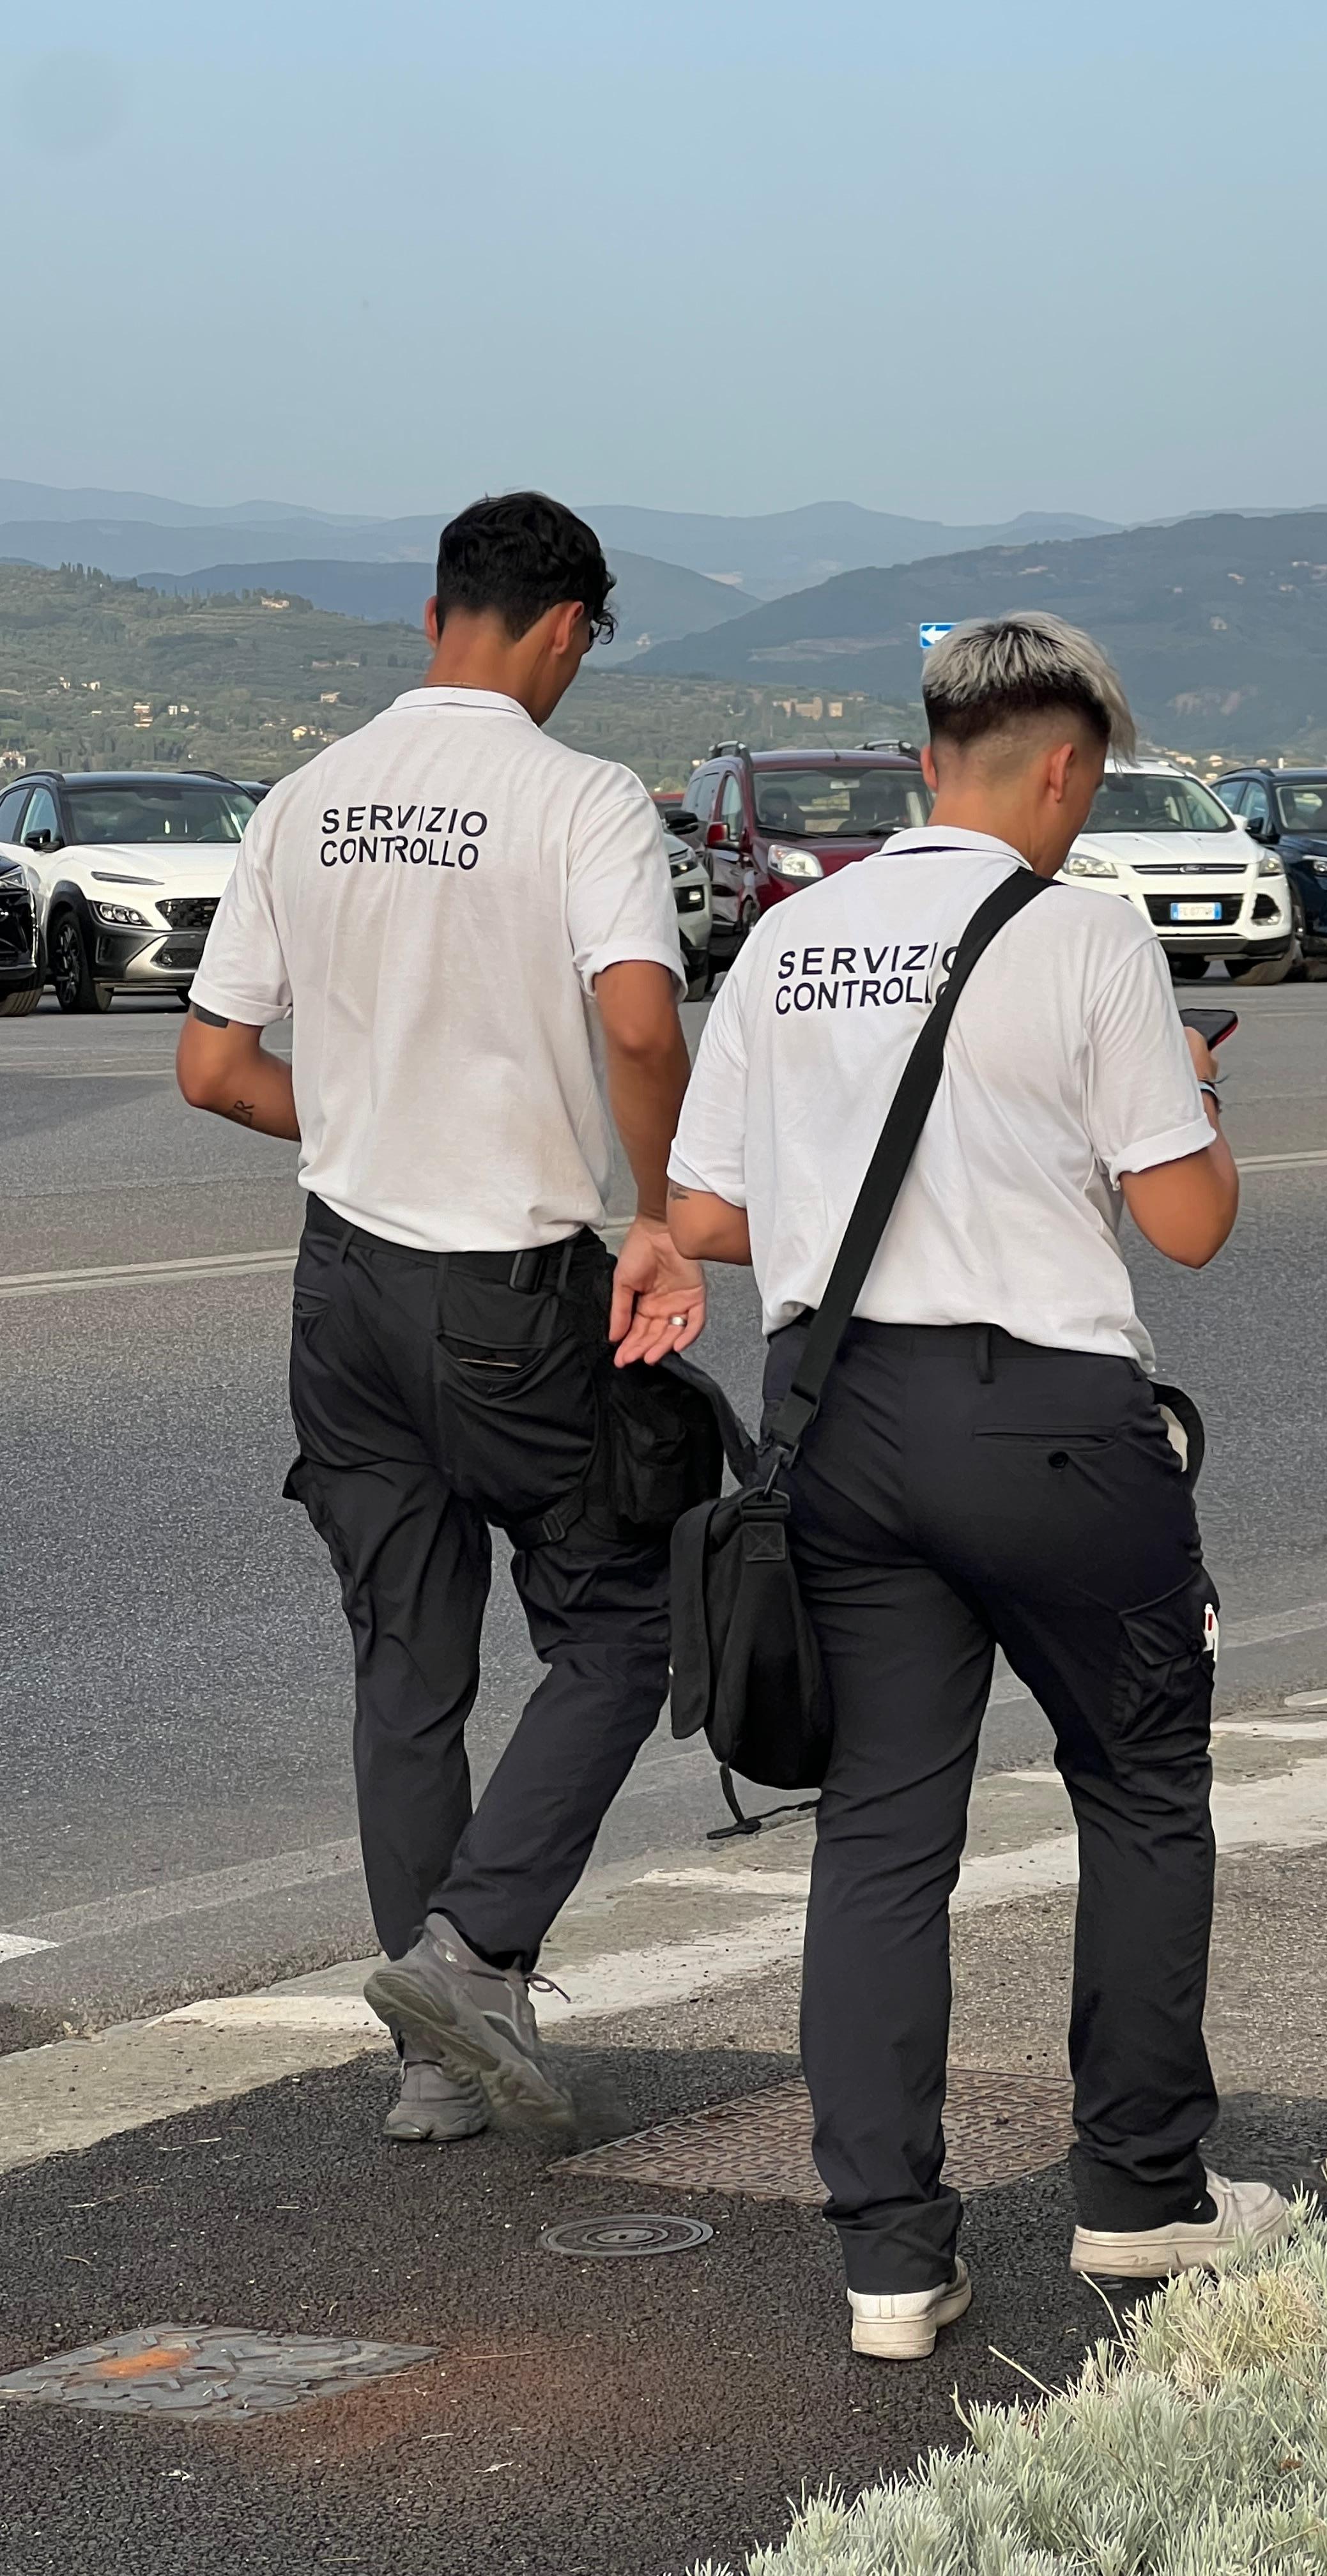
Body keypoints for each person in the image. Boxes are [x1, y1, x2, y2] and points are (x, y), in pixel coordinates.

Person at [666, 611, 1288, 2363]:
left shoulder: (788, 938)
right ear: (1064, 768)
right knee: (1145, 1783)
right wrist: (1194, 1106)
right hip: (1047, 1422)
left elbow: (712, 1216)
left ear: (926, 754)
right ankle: (1141, 2195)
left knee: (882, 1830)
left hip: (841, 1418)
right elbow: (1190, 1222)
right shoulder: (1088, 934)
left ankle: (888, 2260)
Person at [177, 491, 704, 2143]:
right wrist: (668, 1212)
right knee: (624, 1625)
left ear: (433, 619)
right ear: (569, 631)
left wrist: (349, 1122)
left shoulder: (310, 795)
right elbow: (635, 1016)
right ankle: (474, 1959)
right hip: (512, 1290)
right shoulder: (581, 799)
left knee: (407, 1664)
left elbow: (208, 1066)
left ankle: (431, 2074)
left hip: (341, 1287)